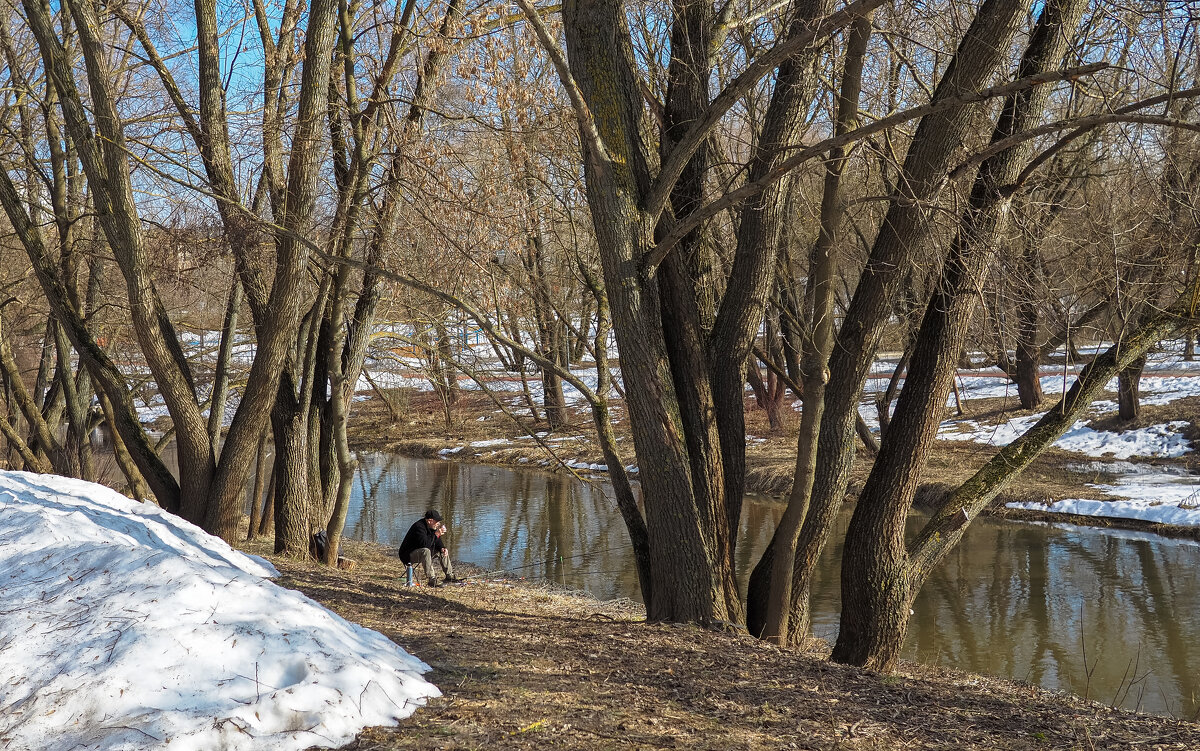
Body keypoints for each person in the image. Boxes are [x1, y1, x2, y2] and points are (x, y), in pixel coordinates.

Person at [398, 509, 458, 586]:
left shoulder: (432, 527)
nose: (438, 523)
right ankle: (431, 579)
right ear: (430, 521)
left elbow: (436, 541)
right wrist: (436, 534)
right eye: (437, 521)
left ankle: (450, 576)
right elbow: (425, 544)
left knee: (442, 551)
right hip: (407, 555)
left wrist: (442, 548)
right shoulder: (419, 527)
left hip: (420, 552)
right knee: (426, 551)